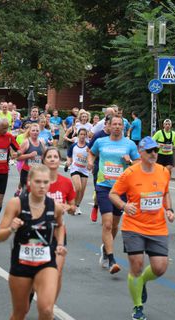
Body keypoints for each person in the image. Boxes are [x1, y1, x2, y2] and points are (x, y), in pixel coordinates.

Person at [109, 136, 175, 320]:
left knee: (160, 268)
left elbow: (166, 192)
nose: (154, 154)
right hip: (134, 226)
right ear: (141, 153)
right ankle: (138, 306)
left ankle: (142, 281)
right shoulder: (130, 173)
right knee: (136, 266)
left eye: (156, 150)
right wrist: (123, 206)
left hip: (157, 227)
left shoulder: (163, 171)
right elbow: (113, 194)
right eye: (150, 151)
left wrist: (168, 209)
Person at [0, 165, 66, 320]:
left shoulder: (55, 206)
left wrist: (60, 244)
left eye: (46, 182)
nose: (42, 186)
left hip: (46, 263)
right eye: (38, 182)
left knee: (47, 310)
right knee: (20, 312)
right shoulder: (17, 204)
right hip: (21, 264)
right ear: (29, 182)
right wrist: (11, 229)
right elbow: (0, 236)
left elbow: (60, 225)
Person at [88, 115, 140, 274]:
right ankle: (111, 259)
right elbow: (91, 153)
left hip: (122, 189)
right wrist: (90, 162)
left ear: (123, 127)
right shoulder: (100, 142)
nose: (117, 127)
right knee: (108, 223)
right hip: (104, 186)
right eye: (114, 124)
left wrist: (129, 161)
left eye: (120, 124)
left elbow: (137, 163)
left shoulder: (129, 144)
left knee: (115, 225)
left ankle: (105, 248)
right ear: (109, 126)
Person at [43, 147, 76, 301]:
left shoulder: (66, 182)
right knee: (38, 272)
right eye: (49, 156)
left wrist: (67, 207)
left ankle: (50, 307)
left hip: (58, 231)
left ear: (59, 160)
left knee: (57, 271)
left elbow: (72, 207)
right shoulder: (37, 181)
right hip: (38, 232)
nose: (52, 159)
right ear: (44, 160)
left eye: (55, 156)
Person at [87, 115, 112, 222]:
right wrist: (91, 162)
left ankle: (107, 213)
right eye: (111, 124)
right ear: (106, 124)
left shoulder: (117, 137)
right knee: (100, 190)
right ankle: (96, 207)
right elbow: (89, 150)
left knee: (111, 191)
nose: (114, 126)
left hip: (112, 167)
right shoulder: (98, 135)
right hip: (99, 166)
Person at [66, 128, 89, 215]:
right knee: (78, 187)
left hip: (84, 170)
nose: (82, 136)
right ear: (78, 135)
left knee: (82, 190)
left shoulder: (88, 146)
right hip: (75, 168)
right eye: (81, 134)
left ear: (86, 136)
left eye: (84, 134)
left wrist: (89, 161)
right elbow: (69, 155)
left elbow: (92, 156)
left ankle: (77, 205)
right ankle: (73, 205)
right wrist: (68, 161)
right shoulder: (74, 146)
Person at [17, 123, 45, 192]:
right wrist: (29, 155)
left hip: (38, 173)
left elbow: (44, 156)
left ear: (39, 132)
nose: (35, 132)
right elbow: (18, 157)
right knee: (26, 194)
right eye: (33, 130)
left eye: (37, 131)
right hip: (27, 172)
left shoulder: (42, 142)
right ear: (29, 131)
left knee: (36, 193)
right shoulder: (26, 142)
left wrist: (43, 158)